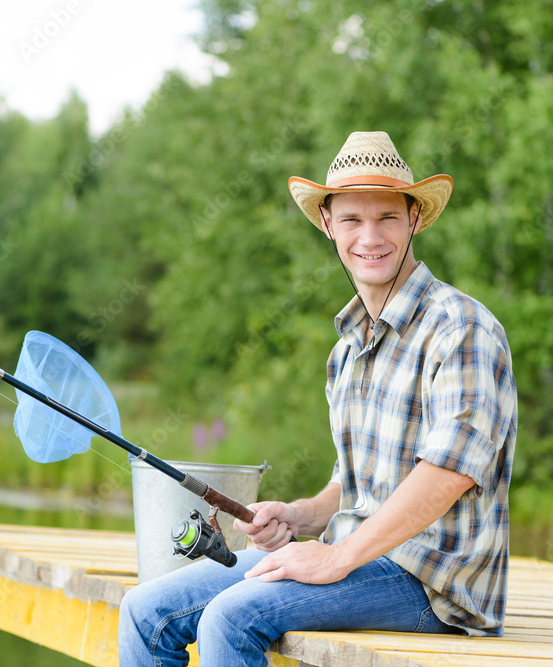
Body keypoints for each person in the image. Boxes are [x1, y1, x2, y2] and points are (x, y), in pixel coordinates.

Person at [118, 131, 518, 666]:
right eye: (352, 219)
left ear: (415, 219)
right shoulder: (347, 349)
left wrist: (338, 557)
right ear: (328, 224)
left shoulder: (462, 328)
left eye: (387, 218)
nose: (369, 237)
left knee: (232, 617)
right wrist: (299, 517)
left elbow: (448, 475)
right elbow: (351, 484)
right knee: (143, 612)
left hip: (433, 584)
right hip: (359, 561)